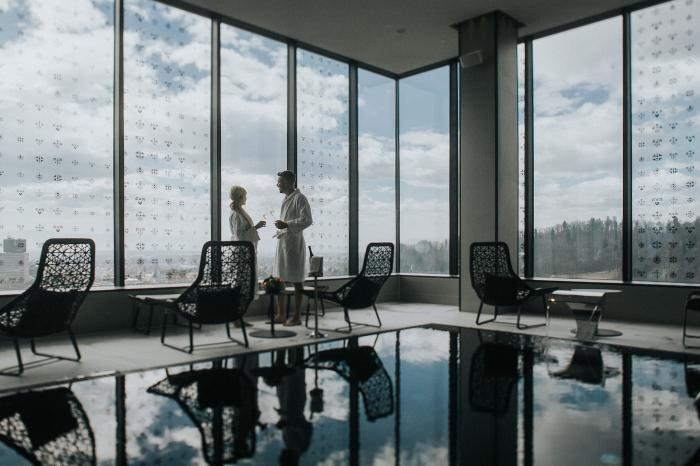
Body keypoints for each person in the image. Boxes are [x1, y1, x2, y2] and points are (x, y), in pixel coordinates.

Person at [272, 171, 312, 326]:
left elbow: (307, 220)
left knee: (296, 280)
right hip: (283, 242)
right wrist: (283, 226)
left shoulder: (300, 198)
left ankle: (296, 317)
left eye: (280, 182)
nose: (277, 184)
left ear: (289, 182)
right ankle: (281, 315)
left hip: (294, 244)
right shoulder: (286, 199)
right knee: (279, 278)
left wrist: (287, 224)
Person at [229, 185, 265, 326]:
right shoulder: (236, 214)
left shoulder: (239, 212)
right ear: (240, 197)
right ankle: (237, 318)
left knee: (243, 284)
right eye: (245, 195)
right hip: (242, 254)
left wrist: (255, 228)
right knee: (242, 284)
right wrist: (256, 227)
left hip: (245, 253)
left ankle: (239, 317)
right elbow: (240, 236)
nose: (246, 198)